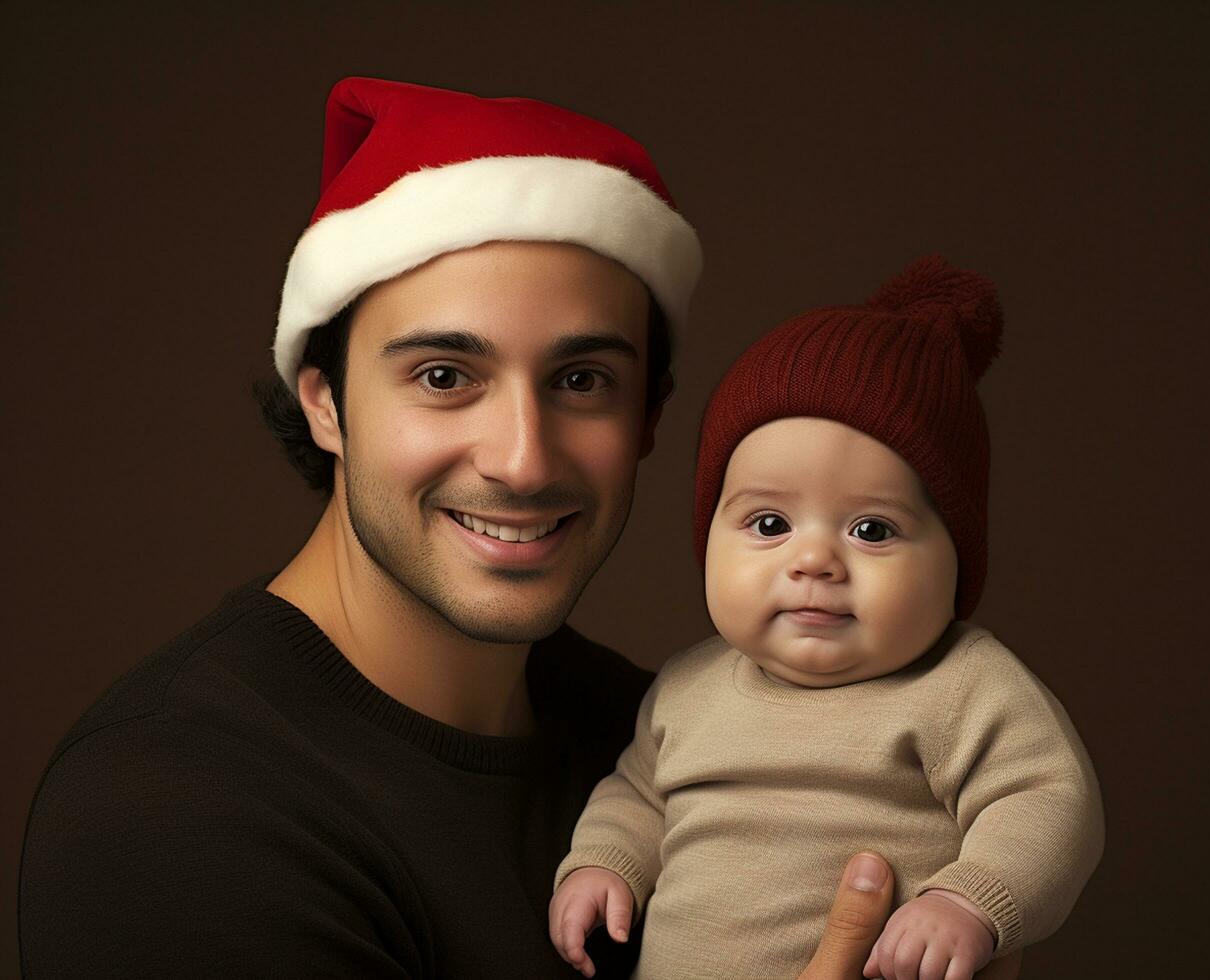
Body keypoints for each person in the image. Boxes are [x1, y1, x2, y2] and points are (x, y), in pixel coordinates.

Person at [17, 77, 955, 980]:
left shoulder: (676, 739)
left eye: (582, 380)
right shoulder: (170, 812)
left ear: (650, 420)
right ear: (326, 404)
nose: (523, 460)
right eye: (442, 376)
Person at [549, 257, 1103, 979]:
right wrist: (605, 862)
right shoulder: (689, 687)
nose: (814, 561)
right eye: (769, 522)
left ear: (955, 559)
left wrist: (969, 903)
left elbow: (1048, 803)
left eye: (871, 531)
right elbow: (637, 796)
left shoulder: (962, 687)